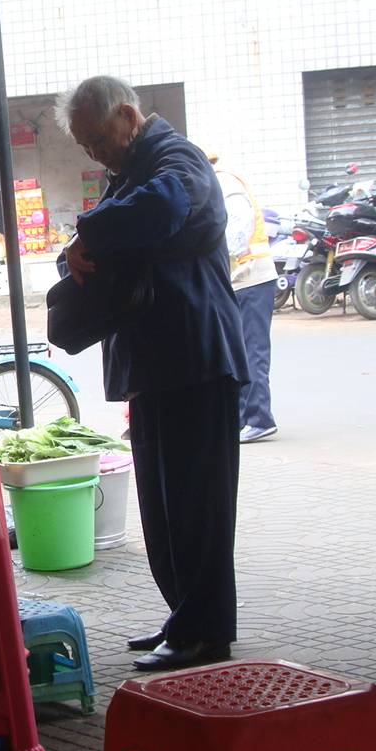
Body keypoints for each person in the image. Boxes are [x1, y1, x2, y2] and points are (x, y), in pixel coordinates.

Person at [58, 75, 247, 673]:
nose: (94, 151)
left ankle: (205, 632)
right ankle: (185, 621)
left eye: (97, 137)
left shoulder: (176, 159)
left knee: (197, 506)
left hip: (195, 358)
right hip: (160, 365)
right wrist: (82, 241)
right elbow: (119, 221)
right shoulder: (132, 172)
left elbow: (161, 209)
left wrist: (88, 233)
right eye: (83, 143)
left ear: (128, 116)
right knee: (163, 508)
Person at [216, 153, 278, 443]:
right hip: (240, 280)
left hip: (253, 278)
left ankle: (259, 418)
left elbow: (236, 233)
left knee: (252, 351)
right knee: (237, 352)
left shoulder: (225, 182)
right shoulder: (217, 181)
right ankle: (241, 418)